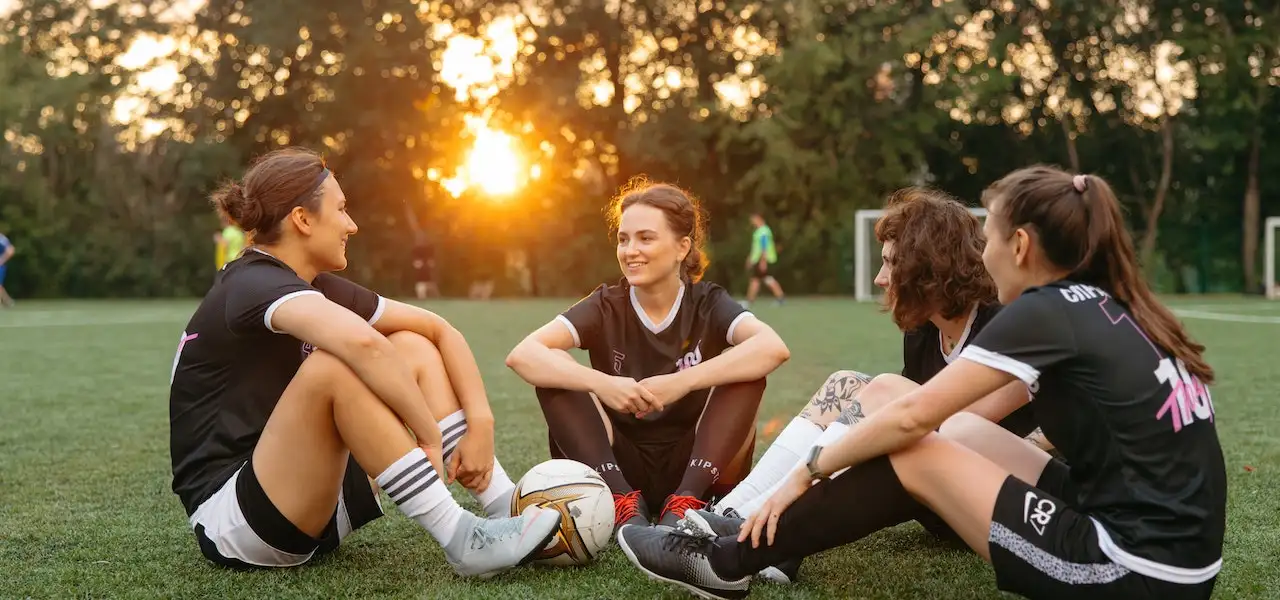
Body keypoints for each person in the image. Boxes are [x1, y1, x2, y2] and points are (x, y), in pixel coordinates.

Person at [618, 166, 1227, 600]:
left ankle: (728, 560)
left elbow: (912, 421)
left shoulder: (1044, 313)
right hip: (1172, 553)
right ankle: (747, 529)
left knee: (916, 449)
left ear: (1018, 244)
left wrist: (806, 472)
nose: (981, 253)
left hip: (1134, 571)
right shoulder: (1106, 303)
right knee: (943, 431)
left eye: (987, 235)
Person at [169, 148, 561, 576]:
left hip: (310, 501)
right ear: (302, 219)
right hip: (237, 523)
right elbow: (364, 347)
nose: (352, 225)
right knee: (335, 365)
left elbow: (439, 330)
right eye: (341, 209)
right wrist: (429, 439)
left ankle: (504, 503)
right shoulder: (250, 283)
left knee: (410, 342)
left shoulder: (314, 286)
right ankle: (461, 538)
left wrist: (481, 423)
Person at [677, 187, 1043, 585]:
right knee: (845, 383)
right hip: (932, 488)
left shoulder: (1005, 324)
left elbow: (953, 425)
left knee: (886, 391)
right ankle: (734, 512)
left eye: (890, 264)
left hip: (987, 500)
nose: (879, 278)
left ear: (927, 268)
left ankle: (761, 521)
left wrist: (819, 466)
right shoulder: (924, 330)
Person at [506, 178, 791, 530]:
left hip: (697, 463)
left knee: (748, 371)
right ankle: (622, 500)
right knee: (555, 369)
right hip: (618, 463)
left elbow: (773, 347)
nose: (630, 250)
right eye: (623, 239)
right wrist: (605, 384)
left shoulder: (708, 302)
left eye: (646, 238)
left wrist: (682, 382)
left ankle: (687, 502)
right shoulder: (606, 305)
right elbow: (523, 354)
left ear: (682, 247)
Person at [742, 213, 784, 307]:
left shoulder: (764, 231)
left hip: (763, 259)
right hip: (759, 259)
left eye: (754, 220)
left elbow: (764, 246)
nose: (752, 222)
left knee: (760, 279)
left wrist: (763, 261)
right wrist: (750, 258)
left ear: (759, 219)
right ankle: (780, 298)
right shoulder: (759, 231)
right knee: (760, 279)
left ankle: (750, 301)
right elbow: (756, 247)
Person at [0, 231, 13, 307]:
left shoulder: (1, 239)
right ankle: (8, 301)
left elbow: (10, 250)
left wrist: (2, 260)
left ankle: (7, 302)